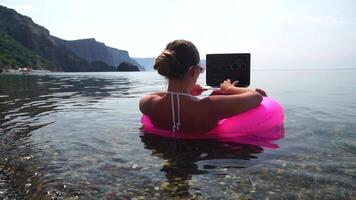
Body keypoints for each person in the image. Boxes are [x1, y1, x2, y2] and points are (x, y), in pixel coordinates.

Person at [139, 39, 267, 133]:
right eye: (200, 69)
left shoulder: (148, 104)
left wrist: (187, 91)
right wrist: (229, 88)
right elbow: (256, 97)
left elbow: (154, 95)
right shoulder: (209, 106)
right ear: (193, 71)